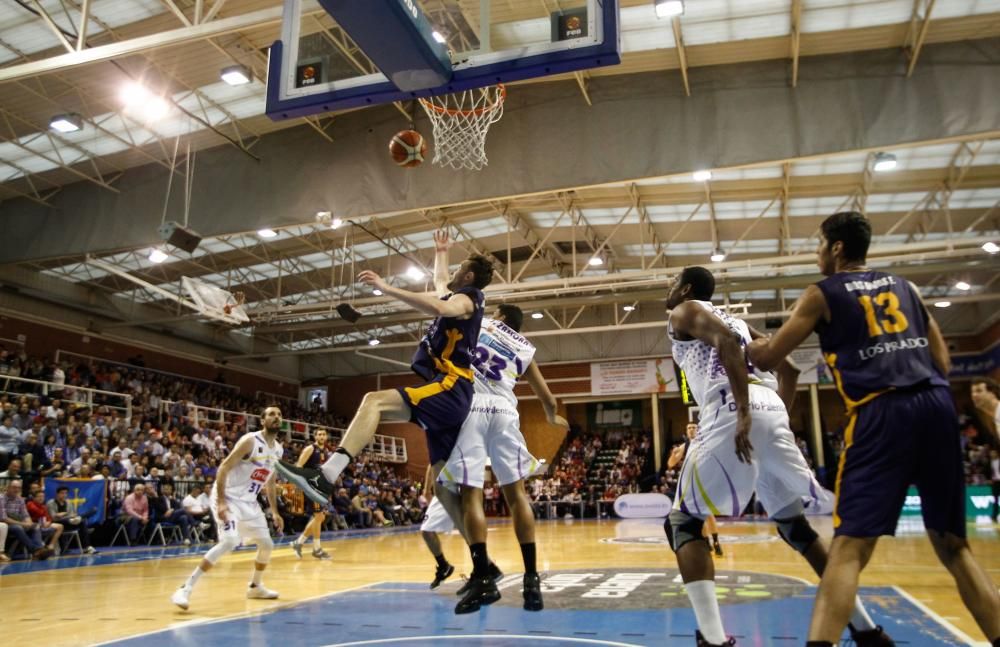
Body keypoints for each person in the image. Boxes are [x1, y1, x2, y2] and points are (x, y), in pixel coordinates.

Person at [746, 211, 1000, 647]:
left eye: (820, 244)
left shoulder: (821, 294)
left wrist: (740, 337)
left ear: (837, 247)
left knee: (848, 548)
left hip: (880, 411)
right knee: (954, 546)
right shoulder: (909, 288)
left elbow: (769, 358)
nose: (818, 253)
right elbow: (942, 362)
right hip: (937, 406)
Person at [663, 265, 891, 647]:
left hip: (732, 407)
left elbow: (727, 347)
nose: (668, 291)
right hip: (770, 406)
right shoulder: (738, 321)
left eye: (672, 283)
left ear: (686, 288)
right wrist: (772, 415)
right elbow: (790, 369)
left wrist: (744, 413)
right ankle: (866, 632)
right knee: (795, 527)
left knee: (683, 523)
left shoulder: (684, 311)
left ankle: (714, 641)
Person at [276, 233, 493, 569]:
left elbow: (440, 306)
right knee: (441, 490)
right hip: (450, 393)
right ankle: (483, 565)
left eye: (459, 267)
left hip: (451, 387)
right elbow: (439, 282)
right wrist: (441, 252)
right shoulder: (458, 293)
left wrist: (386, 287)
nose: (452, 272)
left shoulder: (469, 298)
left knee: (373, 401)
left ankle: (326, 476)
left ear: (468, 278)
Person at [437, 303, 568, 613]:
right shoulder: (525, 347)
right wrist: (552, 419)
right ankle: (532, 581)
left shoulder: (479, 325)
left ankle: (483, 576)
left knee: (472, 495)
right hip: (506, 411)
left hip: (472, 407)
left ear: (501, 317)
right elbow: (547, 398)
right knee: (517, 495)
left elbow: (445, 305)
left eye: (496, 312)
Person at [171, 406, 285, 610]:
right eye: (271, 414)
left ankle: (255, 586)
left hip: (249, 502)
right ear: (262, 420)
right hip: (229, 497)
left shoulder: (278, 449)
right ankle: (185, 588)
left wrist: (275, 511)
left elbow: (270, 482)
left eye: (279, 415)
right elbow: (224, 466)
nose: (276, 417)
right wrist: (222, 501)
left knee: (267, 545)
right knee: (230, 540)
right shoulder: (250, 440)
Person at [667, 421, 723, 557]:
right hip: (690, 485)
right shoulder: (684, 446)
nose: (691, 430)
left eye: (693, 427)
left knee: (708, 514)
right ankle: (706, 541)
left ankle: (716, 542)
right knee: (697, 516)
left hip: (704, 482)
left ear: (698, 430)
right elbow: (670, 464)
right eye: (689, 428)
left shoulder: (706, 443)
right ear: (686, 431)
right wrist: (674, 454)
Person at [290, 428, 332, 560]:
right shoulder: (310, 449)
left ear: (326, 437)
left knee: (320, 518)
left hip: (318, 487)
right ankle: (317, 549)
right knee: (319, 516)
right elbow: (298, 466)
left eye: (323, 434)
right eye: (319, 434)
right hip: (310, 486)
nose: (321, 436)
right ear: (315, 437)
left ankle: (299, 543)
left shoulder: (324, 451)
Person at [420, 464, 456, 589]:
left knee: (469, 531)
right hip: (444, 488)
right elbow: (431, 462)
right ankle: (443, 565)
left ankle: (485, 567)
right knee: (426, 530)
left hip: (462, 483)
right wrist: (426, 489)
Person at [0, 480, 52, 559]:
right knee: (17, 527)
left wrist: (29, 523)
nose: (16, 490)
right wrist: (24, 524)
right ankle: (36, 550)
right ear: (8, 488)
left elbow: (25, 515)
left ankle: (39, 549)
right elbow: (3, 518)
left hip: (19, 522)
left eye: (18, 488)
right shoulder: (1, 498)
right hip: (6, 525)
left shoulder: (20, 499)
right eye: (14, 487)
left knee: (35, 526)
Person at [47, 485, 98, 554]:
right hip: (58, 524)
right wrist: (61, 516)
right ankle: (78, 520)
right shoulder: (51, 503)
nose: (64, 495)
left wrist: (71, 516)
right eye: (62, 493)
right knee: (78, 521)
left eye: (66, 493)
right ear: (57, 494)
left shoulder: (68, 502)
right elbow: (53, 517)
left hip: (71, 522)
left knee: (86, 518)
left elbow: (74, 514)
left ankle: (87, 547)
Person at [970, 377, 1000, 443]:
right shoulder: (993, 418)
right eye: (972, 392)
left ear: (993, 393)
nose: (973, 395)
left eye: (979, 391)